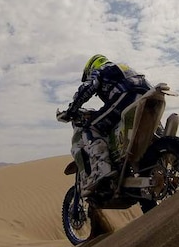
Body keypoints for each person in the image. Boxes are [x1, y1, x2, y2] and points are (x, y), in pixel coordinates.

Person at [59, 54, 152, 197]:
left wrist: (72, 110)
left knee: (90, 127)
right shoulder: (124, 68)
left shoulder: (102, 69)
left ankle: (102, 169)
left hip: (126, 95)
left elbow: (88, 86)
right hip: (147, 96)